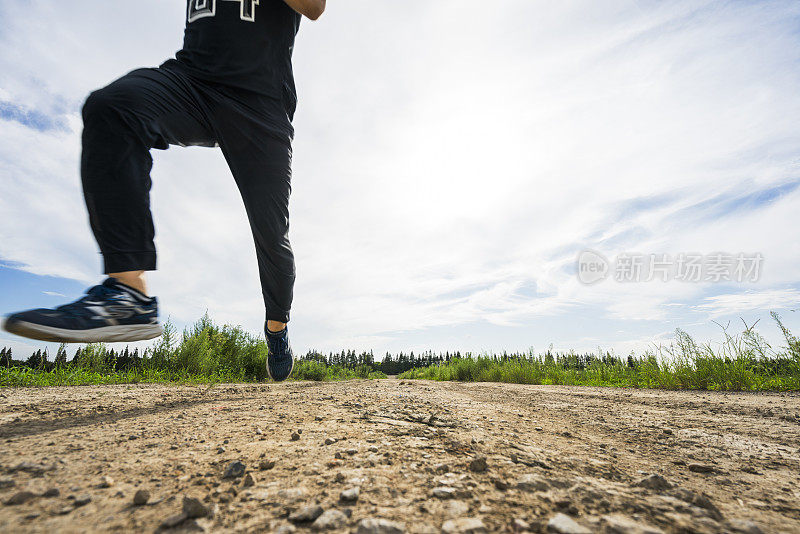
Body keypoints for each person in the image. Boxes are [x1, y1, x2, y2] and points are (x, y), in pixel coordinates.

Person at [1, 0, 326, 382]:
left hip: (262, 105)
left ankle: (276, 329)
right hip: (194, 80)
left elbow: (315, 6)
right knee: (113, 107)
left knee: (272, 236)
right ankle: (128, 293)